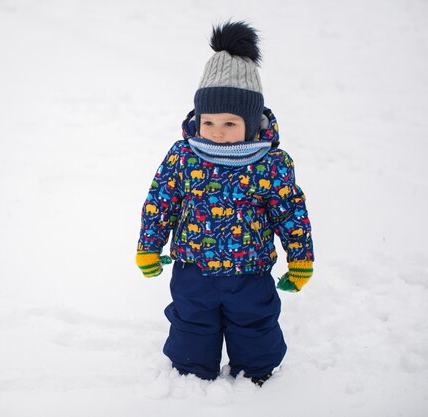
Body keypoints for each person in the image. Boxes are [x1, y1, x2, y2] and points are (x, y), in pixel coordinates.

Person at [135, 21, 314, 386]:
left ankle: (257, 374)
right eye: (209, 121)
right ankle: (191, 372)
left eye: (230, 123)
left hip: (249, 272)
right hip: (193, 268)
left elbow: (290, 213)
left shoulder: (270, 163)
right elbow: (161, 201)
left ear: (250, 123)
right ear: (197, 119)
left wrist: (300, 258)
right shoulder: (184, 156)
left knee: (255, 323)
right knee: (190, 321)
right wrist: (149, 248)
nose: (217, 131)